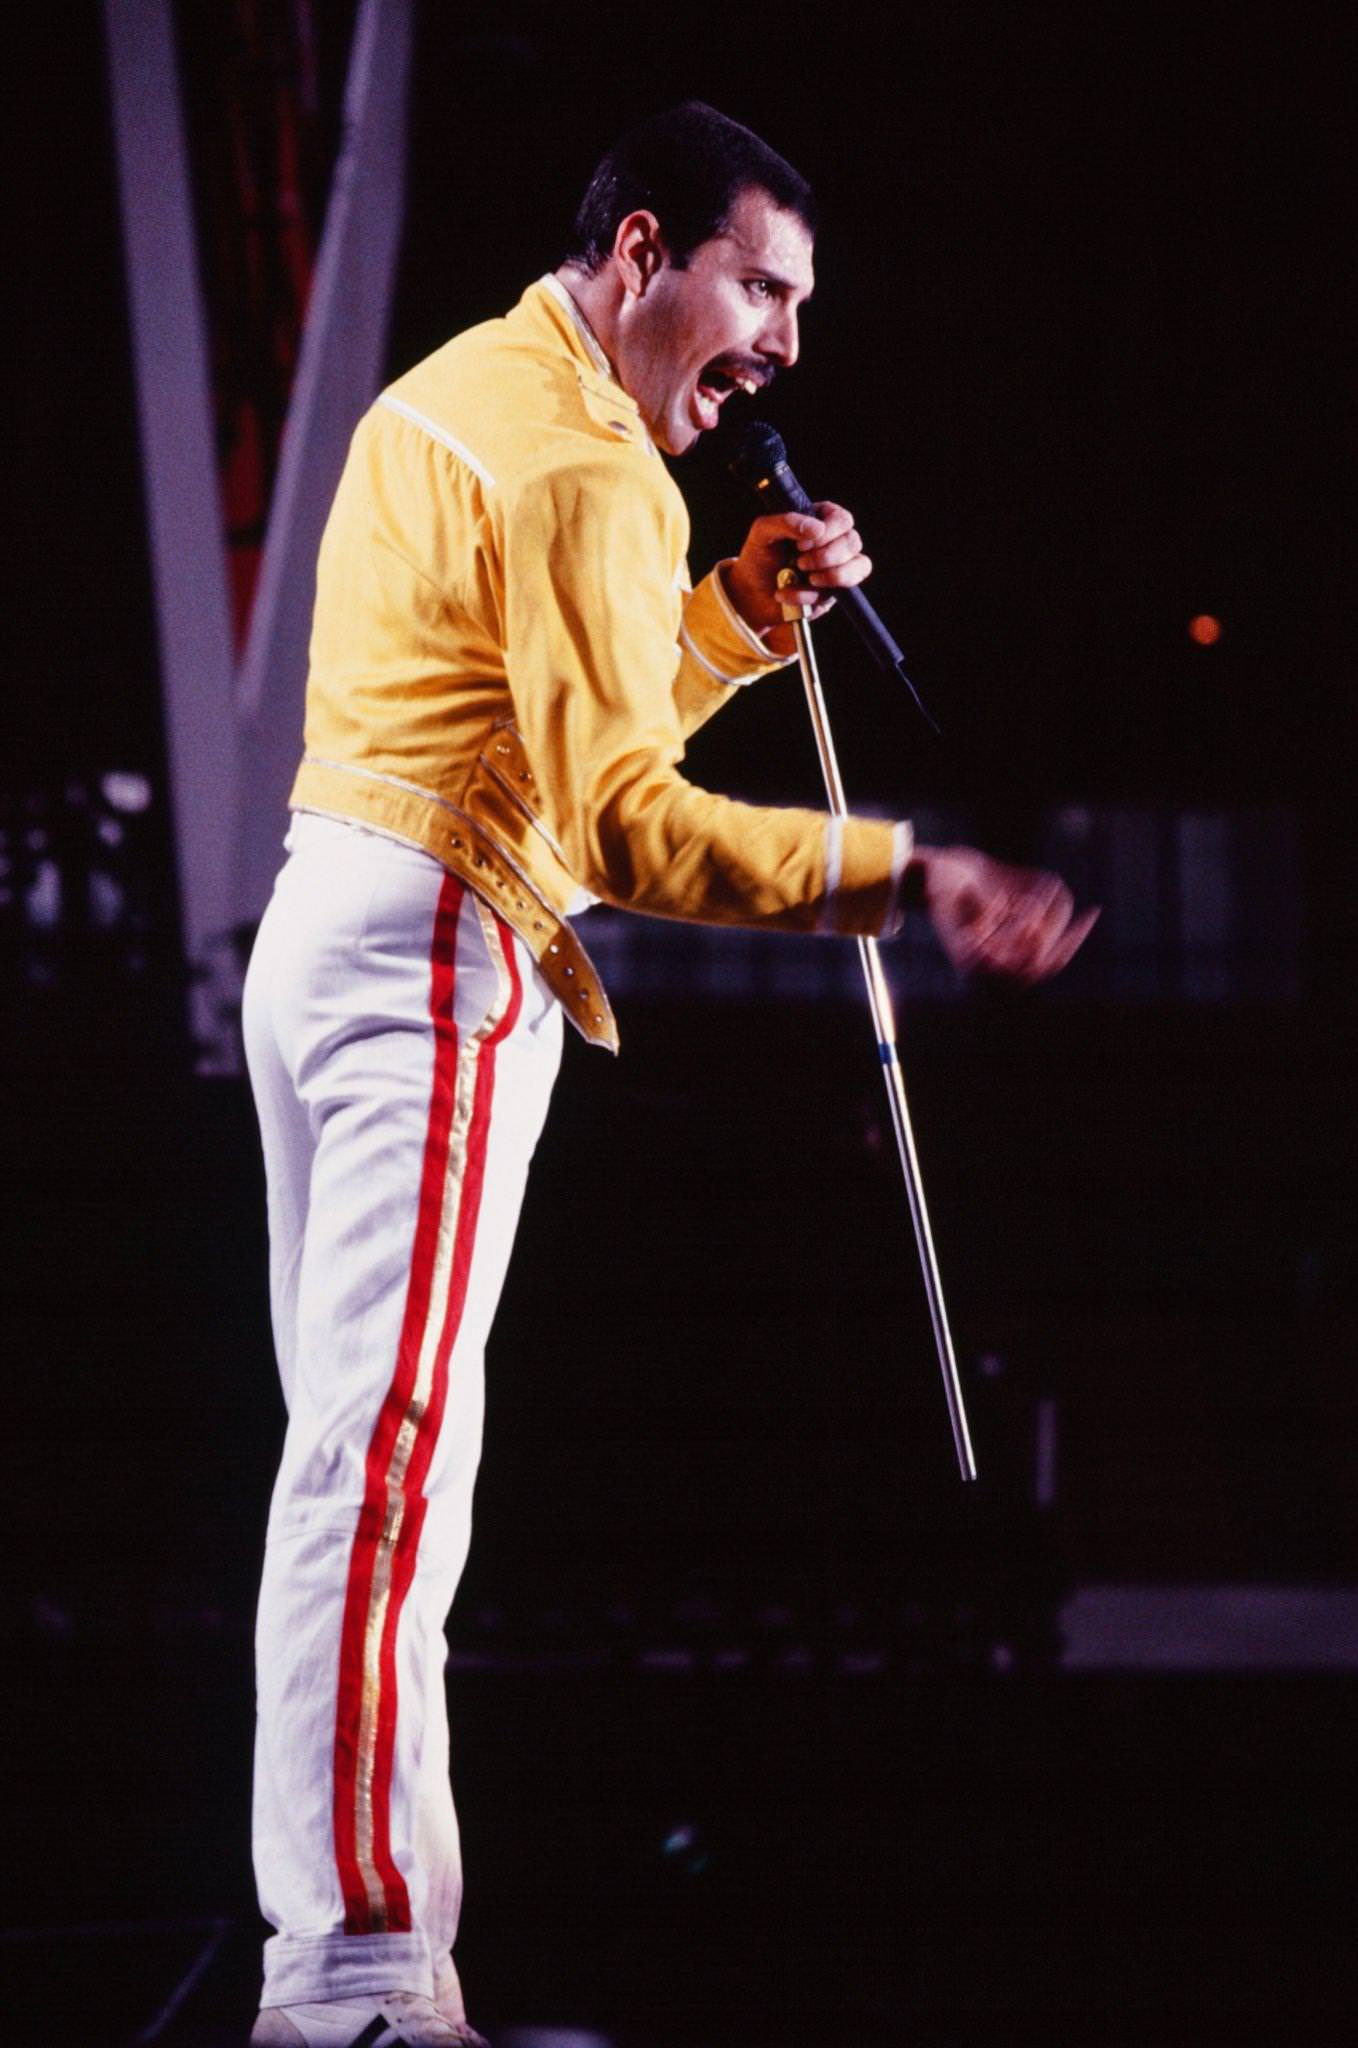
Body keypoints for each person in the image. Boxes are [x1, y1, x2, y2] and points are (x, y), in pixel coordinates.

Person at [242, 101, 1095, 2048]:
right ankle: (362, 1972)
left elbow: (547, 726)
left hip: (332, 928)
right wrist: (909, 866)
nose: (782, 342)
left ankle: (340, 1955)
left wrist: (727, 623)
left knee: (348, 1478)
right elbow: (620, 825)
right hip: (447, 952)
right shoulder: (592, 464)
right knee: (380, 1488)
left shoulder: (466, 392)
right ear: (644, 249)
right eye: (759, 286)